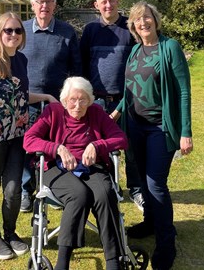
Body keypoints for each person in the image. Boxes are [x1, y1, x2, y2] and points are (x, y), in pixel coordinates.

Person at [110, 1, 193, 270]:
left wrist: (186, 132)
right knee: (141, 181)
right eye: (137, 20)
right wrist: (117, 112)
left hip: (160, 128)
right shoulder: (135, 50)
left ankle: (166, 241)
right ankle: (149, 222)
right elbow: (130, 90)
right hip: (135, 127)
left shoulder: (169, 48)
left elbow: (183, 91)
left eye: (147, 18)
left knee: (156, 183)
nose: (143, 23)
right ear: (133, 26)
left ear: (155, 20)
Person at [0, 12, 56, 260]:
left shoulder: (21, 60)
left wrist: (45, 97)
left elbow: (20, 95)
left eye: (18, 31)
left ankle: (10, 233)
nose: (14, 35)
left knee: (13, 190)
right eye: (8, 30)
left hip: (17, 135)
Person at [24, 76, 128, 270]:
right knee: (78, 194)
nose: (78, 105)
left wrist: (98, 145)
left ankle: (113, 261)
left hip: (91, 167)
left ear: (90, 100)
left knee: (105, 194)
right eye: (73, 99)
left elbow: (121, 138)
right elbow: (29, 140)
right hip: (56, 167)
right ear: (64, 100)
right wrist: (58, 149)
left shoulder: (96, 113)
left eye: (83, 100)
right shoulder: (52, 112)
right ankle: (62, 263)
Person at [79, 0, 144, 211]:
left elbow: (139, 67)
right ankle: (107, 189)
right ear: (96, 6)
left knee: (131, 146)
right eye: (103, 2)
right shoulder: (90, 30)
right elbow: (82, 66)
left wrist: (127, 99)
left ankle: (136, 190)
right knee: (98, 148)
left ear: (118, 1)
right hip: (96, 101)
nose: (108, 5)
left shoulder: (130, 28)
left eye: (111, 1)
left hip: (126, 99)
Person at [19, 0, 82, 212]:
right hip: (27, 102)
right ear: (33, 5)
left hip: (57, 105)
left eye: (49, 2)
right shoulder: (22, 31)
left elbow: (76, 69)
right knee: (26, 149)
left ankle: (54, 189)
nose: (44, 6)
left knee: (57, 147)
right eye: (40, 2)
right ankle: (26, 191)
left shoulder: (66, 32)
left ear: (55, 5)